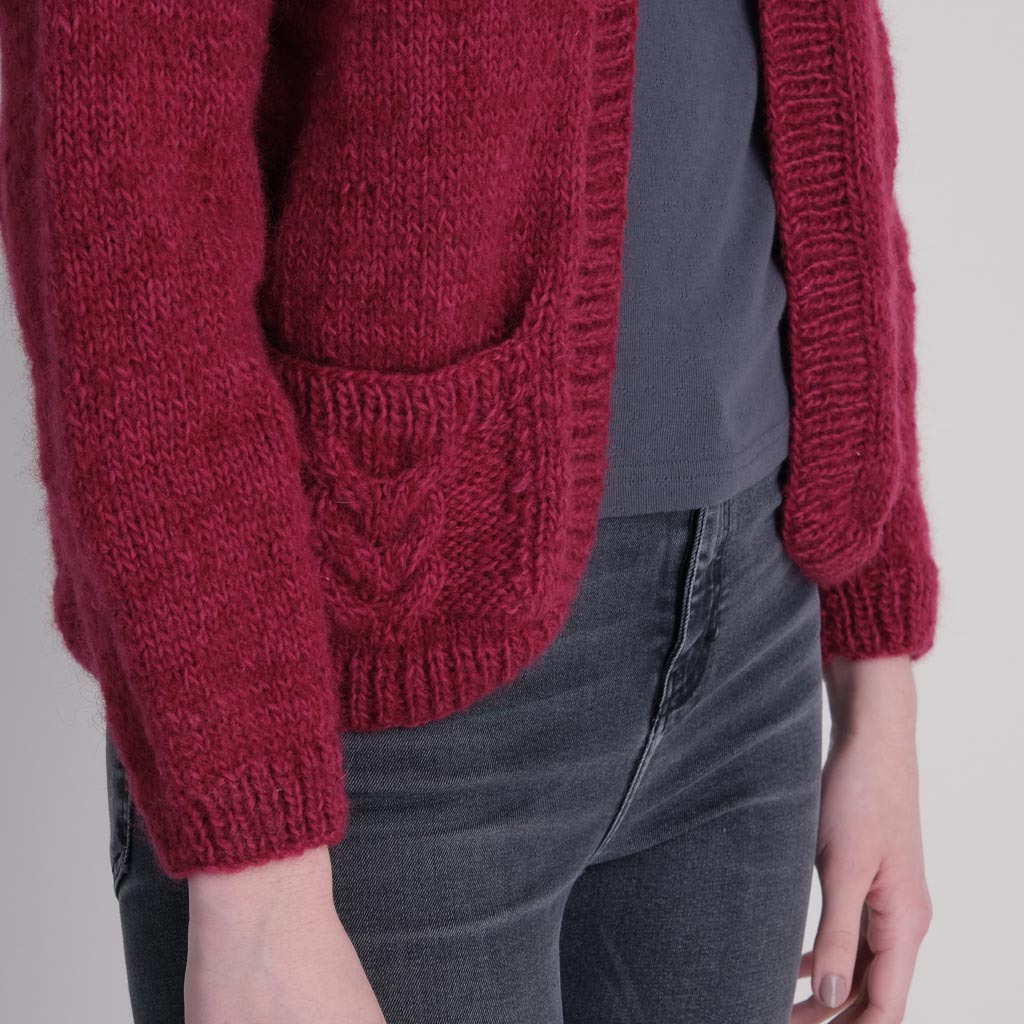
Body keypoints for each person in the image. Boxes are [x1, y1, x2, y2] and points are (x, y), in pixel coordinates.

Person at [0, 0, 939, 1022]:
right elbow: (126, 219)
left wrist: (874, 661)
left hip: (754, 637)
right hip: (376, 707)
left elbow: (829, 73)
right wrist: (252, 860)